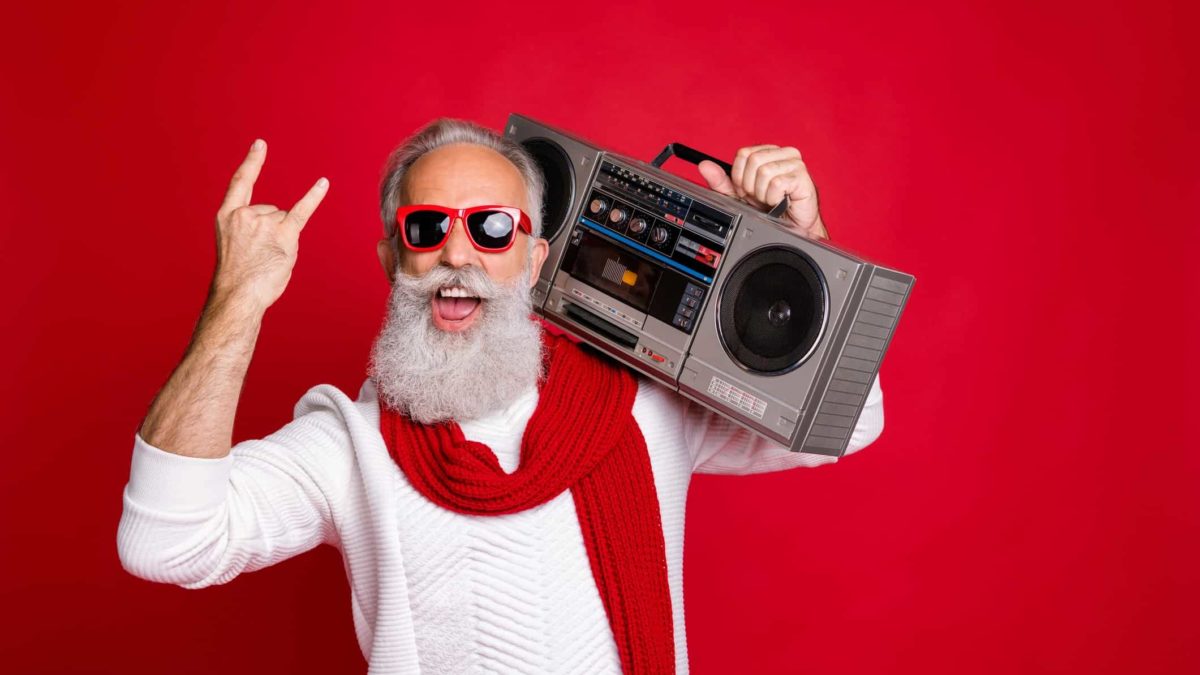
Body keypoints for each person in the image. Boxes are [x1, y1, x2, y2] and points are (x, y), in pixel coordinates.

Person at [116, 118, 884, 674]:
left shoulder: (647, 404)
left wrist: (804, 246)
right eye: (427, 228)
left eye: (491, 228)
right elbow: (165, 540)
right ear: (393, 257)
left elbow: (850, 422)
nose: (458, 252)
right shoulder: (347, 444)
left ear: (534, 256)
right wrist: (236, 303)